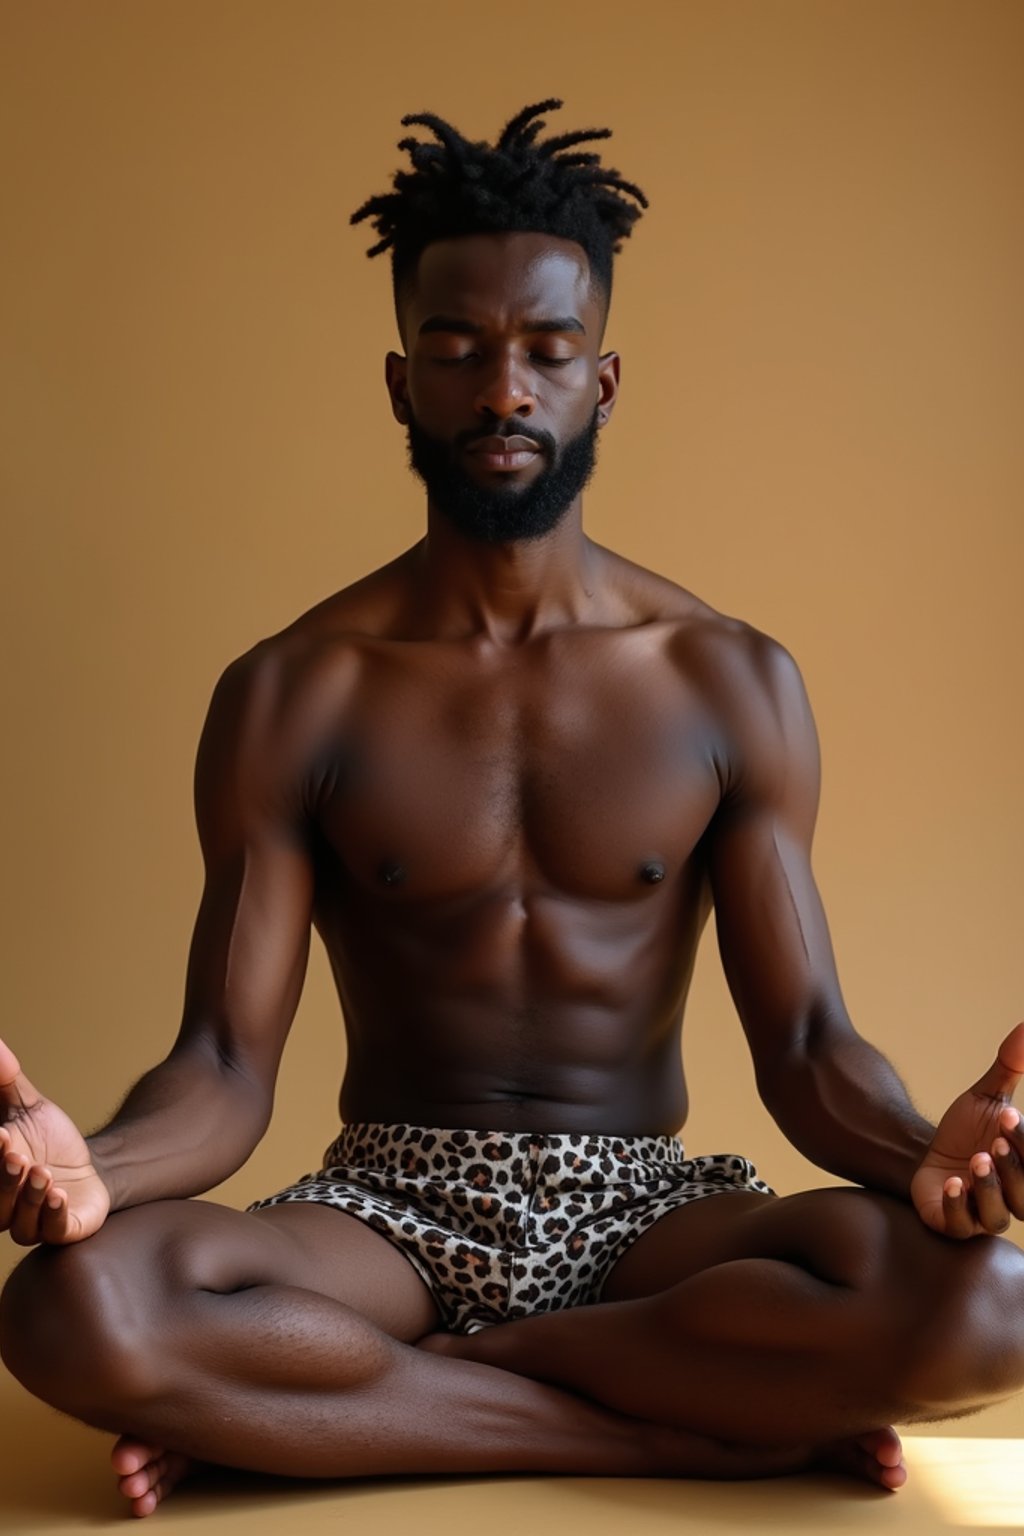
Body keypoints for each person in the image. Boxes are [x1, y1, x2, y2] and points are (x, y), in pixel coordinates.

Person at [2, 99, 1023, 1520]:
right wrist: (97, 1171)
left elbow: (803, 1046)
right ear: (398, 380)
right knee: (77, 1312)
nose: (502, 394)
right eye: (459, 351)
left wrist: (931, 1162)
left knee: (991, 1305)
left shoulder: (729, 680)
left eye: (545, 355)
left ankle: (348, 1402)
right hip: (385, 1213)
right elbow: (228, 1067)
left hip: (647, 1215)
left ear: (602, 381)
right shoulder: (294, 693)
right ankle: (664, 1433)